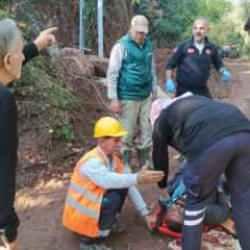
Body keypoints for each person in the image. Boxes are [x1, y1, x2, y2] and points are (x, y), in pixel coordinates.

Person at [150, 93, 250, 250]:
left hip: (215, 143)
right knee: (243, 203)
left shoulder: (162, 119)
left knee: (195, 205)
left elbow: (159, 155)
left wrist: (161, 183)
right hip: (245, 133)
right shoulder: (194, 104)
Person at [62, 116, 164, 250]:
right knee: (114, 197)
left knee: (121, 188)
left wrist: (145, 214)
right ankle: (90, 242)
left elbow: (128, 184)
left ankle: (105, 227)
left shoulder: (113, 160)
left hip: (88, 213)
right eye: (116, 140)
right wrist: (137, 178)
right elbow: (107, 181)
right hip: (81, 220)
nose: (119, 143)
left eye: (120, 139)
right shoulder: (92, 162)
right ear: (102, 140)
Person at [0, 18, 57, 250]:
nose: (23, 57)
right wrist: (7, 224)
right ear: (7, 60)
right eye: (20, 52)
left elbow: (11, 58)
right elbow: (3, 165)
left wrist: (36, 46)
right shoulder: (3, 101)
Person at [107, 15, 157, 167]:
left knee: (147, 130)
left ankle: (146, 162)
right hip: (128, 96)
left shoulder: (148, 45)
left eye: (143, 33)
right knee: (126, 133)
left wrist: (153, 88)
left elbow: (152, 68)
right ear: (131, 28)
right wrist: (114, 98)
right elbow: (112, 72)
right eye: (138, 32)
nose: (141, 35)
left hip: (145, 96)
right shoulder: (121, 46)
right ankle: (125, 164)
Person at [165, 17, 231, 97]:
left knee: (209, 108)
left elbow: (219, 65)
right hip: (183, 90)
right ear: (192, 30)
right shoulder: (183, 46)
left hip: (202, 89)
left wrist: (224, 72)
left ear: (207, 30)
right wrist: (169, 80)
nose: (198, 31)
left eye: (201, 28)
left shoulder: (212, 48)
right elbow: (170, 66)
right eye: (195, 28)